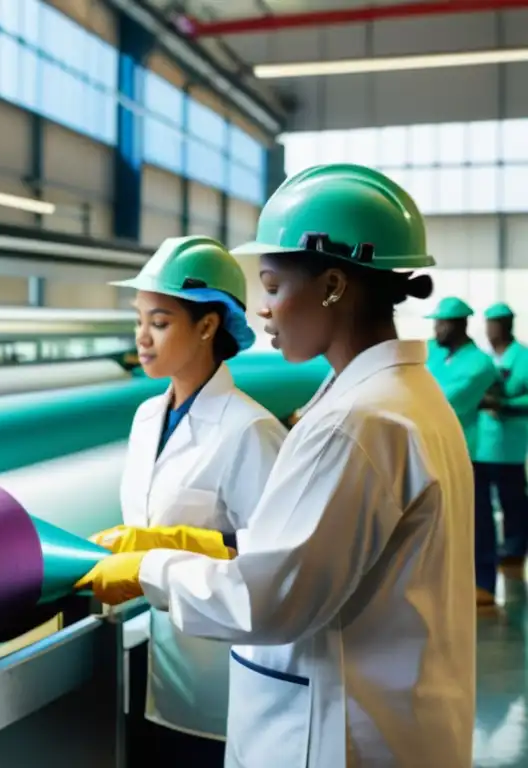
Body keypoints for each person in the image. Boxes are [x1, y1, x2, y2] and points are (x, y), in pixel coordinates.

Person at [75, 163, 475, 767]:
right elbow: (303, 553)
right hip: (384, 719)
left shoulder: (359, 423)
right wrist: (191, 544)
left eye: (271, 285)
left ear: (333, 286)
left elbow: (270, 599)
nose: (263, 311)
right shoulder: (398, 400)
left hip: (337, 734)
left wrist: (151, 566)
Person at [91, 235, 287, 763]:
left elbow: (275, 562)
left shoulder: (250, 430)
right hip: (156, 658)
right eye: (139, 320)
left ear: (207, 325)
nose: (142, 338)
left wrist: (168, 546)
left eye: (160, 322)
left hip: (223, 676)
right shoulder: (146, 418)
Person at [425, 297, 500, 605]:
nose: (435, 329)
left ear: (457, 325)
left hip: (466, 452)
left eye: (441, 324)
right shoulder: (434, 351)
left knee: (478, 519)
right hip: (431, 446)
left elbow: (442, 400)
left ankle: (485, 583)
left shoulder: (479, 364)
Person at [478, 302, 528, 577]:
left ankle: (515, 548)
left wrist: (506, 404)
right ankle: (495, 548)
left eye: (495, 324)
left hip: (510, 445)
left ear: (508, 325)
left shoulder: (523, 358)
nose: (490, 330)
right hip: (481, 444)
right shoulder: (484, 360)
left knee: (512, 500)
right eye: (488, 324)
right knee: (484, 503)